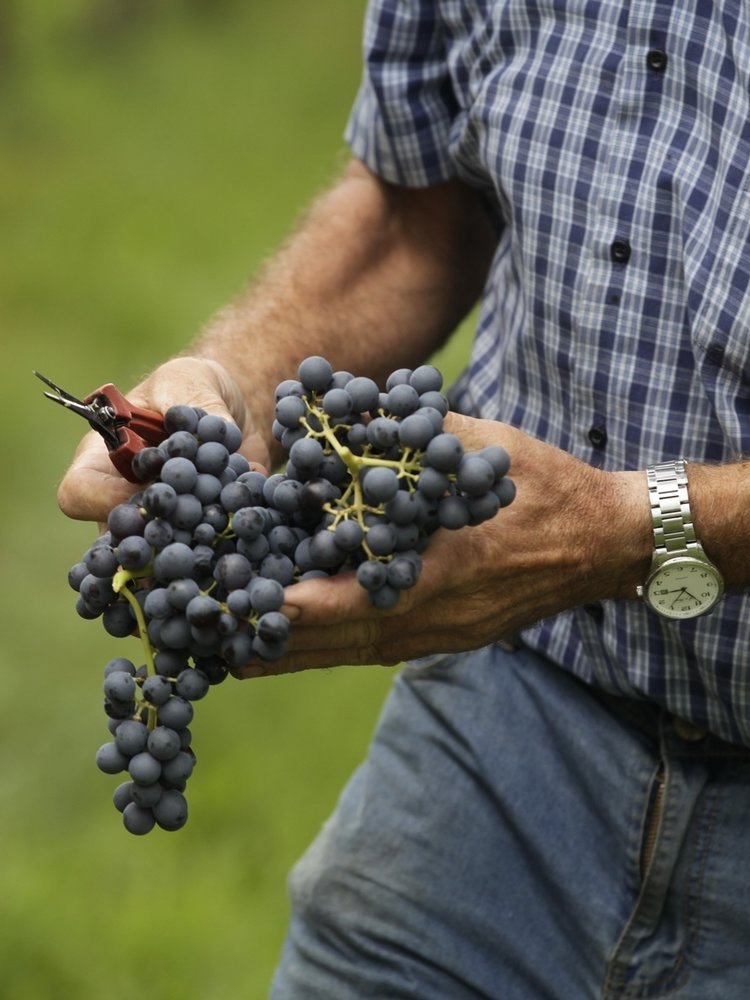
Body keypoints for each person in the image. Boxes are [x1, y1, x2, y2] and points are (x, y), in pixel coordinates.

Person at [58, 1, 750, 996]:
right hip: (509, 718)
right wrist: (232, 389)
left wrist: (627, 529)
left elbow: (605, 531)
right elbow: (416, 213)